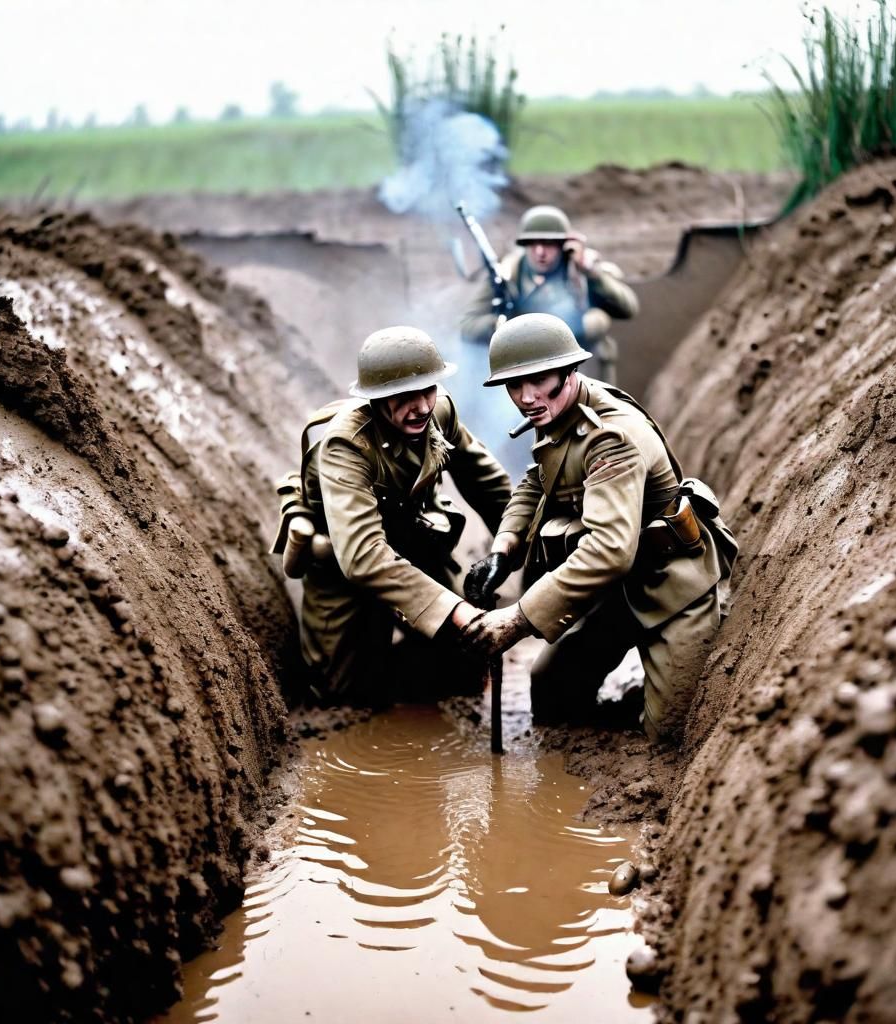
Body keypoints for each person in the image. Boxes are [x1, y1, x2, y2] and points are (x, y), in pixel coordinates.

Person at [461, 313, 737, 743]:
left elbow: (608, 550)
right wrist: (504, 549)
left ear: (569, 370)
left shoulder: (610, 437)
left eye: (538, 379)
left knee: (669, 733)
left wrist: (516, 620)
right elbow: (539, 479)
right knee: (553, 691)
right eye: (514, 385)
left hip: (672, 583)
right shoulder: (559, 412)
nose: (527, 396)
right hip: (619, 586)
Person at [271, 326, 510, 705]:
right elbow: (363, 557)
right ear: (377, 399)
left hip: (413, 541)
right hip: (347, 557)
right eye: (404, 396)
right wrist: (458, 612)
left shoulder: (439, 410)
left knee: (463, 662)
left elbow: (488, 483)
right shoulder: (346, 446)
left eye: (427, 390)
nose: (421, 407)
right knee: (342, 695)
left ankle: (415, 669)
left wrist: (512, 549)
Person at [460, 204, 638, 384]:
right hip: (527, 377)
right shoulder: (508, 274)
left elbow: (628, 308)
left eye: (548, 243)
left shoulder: (582, 270)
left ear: (564, 245)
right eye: (533, 244)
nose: (540, 252)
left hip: (585, 375)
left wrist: (591, 274)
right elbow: (467, 326)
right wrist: (505, 325)